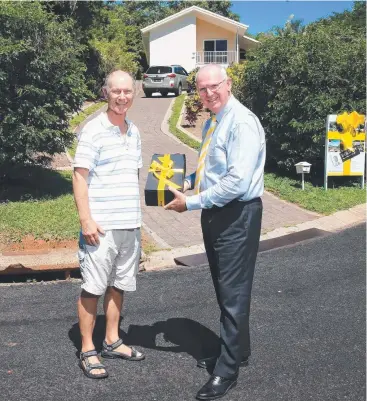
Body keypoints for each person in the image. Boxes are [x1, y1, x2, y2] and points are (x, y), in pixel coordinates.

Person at [165, 64, 266, 400]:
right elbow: (212, 169)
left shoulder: (242, 122)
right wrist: (188, 181)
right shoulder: (214, 121)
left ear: (229, 84)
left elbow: (237, 182)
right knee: (227, 289)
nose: (208, 93)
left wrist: (191, 203)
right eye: (202, 88)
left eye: (214, 86)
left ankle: (226, 371)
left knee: (233, 293)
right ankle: (239, 351)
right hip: (216, 214)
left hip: (237, 215)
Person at [72, 70, 145, 379]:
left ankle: (112, 340)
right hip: (100, 228)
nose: (122, 97)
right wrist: (86, 219)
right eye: (116, 91)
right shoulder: (93, 130)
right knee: (93, 287)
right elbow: (79, 176)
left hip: (130, 225)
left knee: (119, 285)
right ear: (106, 93)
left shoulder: (136, 131)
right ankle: (88, 348)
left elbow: (135, 176)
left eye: (127, 91)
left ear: (133, 94)